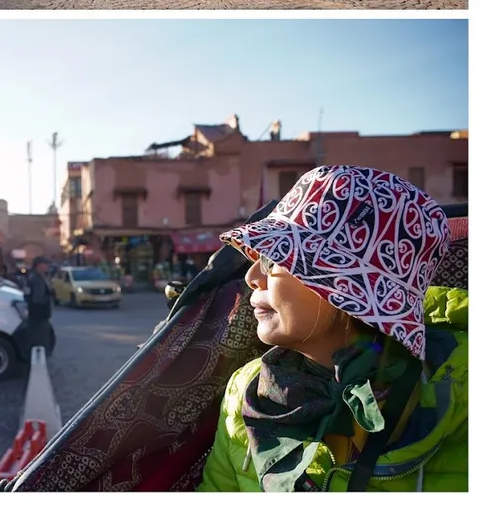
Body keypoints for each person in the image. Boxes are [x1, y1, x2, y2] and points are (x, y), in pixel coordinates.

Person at [198, 165, 467, 492]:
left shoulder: (464, 394)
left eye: (272, 258)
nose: (252, 277)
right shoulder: (246, 388)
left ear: (348, 288)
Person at [24, 256, 55, 353]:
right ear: (39, 265)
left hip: (34, 314)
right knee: (40, 340)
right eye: (45, 264)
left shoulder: (33, 277)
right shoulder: (38, 279)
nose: (47, 266)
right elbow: (38, 299)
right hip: (39, 315)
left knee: (35, 338)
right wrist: (49, 296)